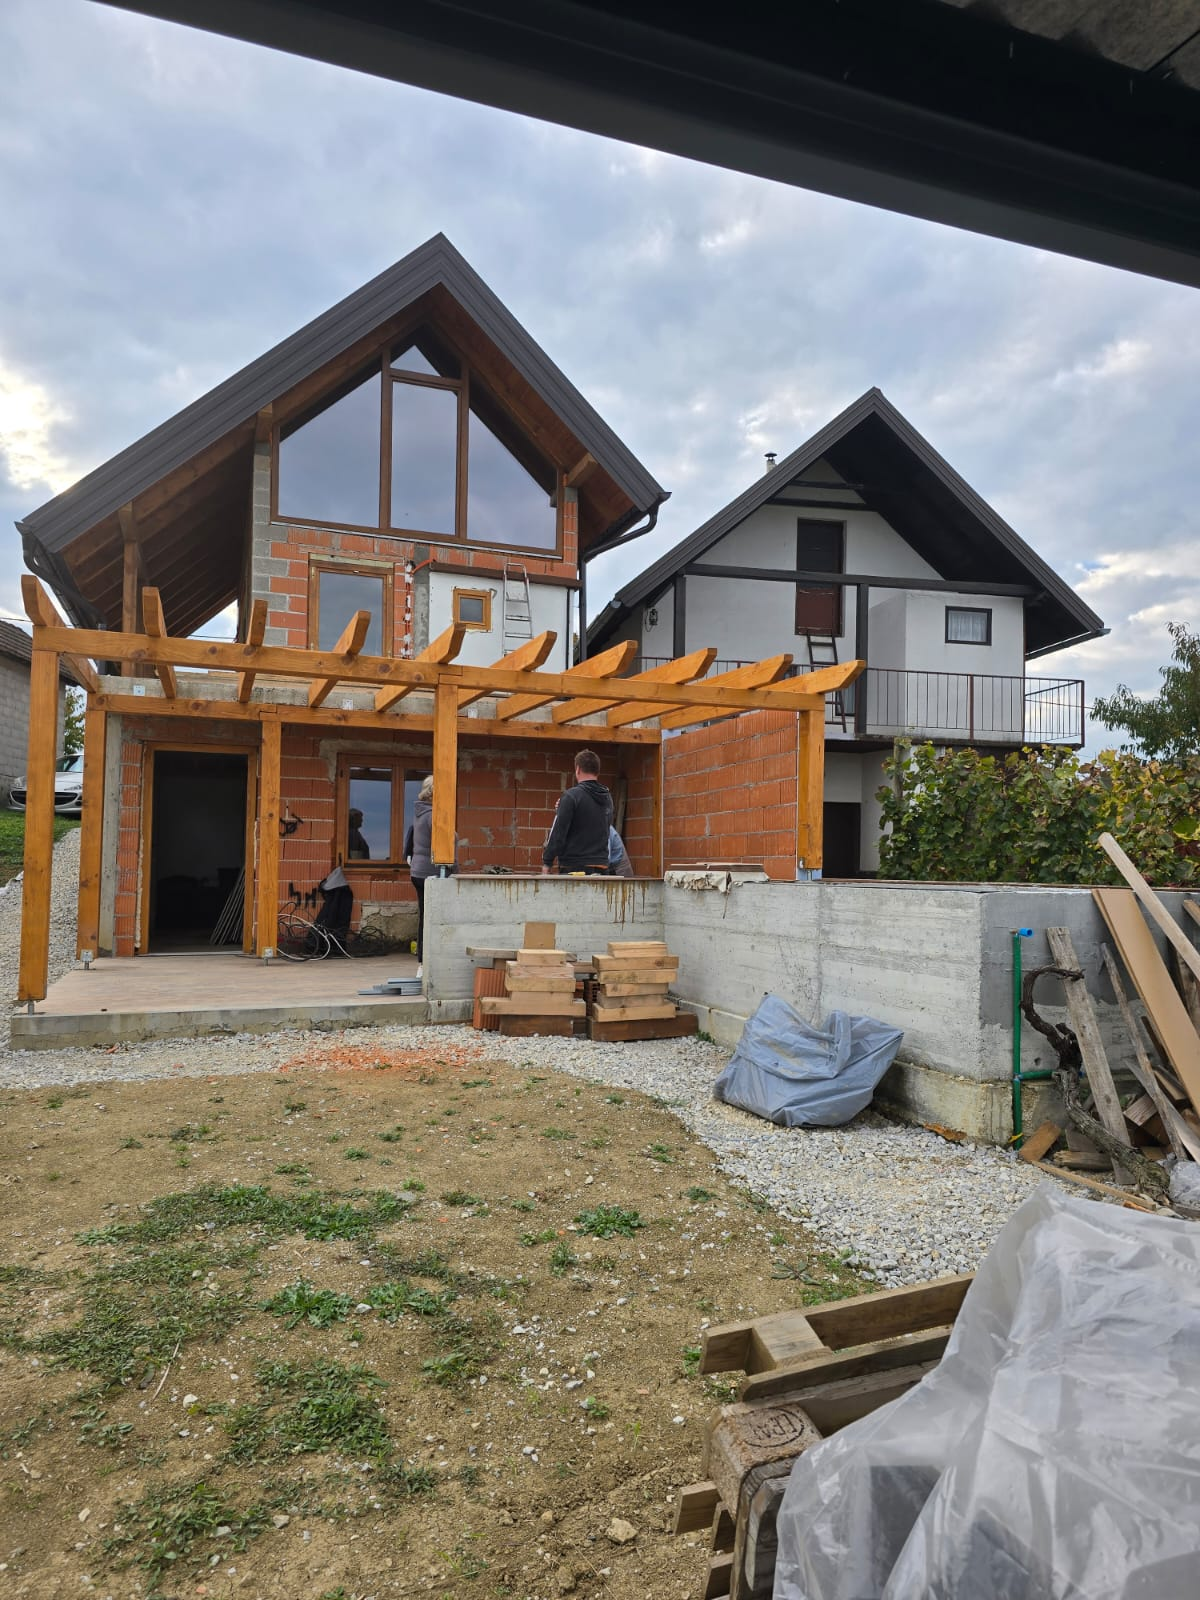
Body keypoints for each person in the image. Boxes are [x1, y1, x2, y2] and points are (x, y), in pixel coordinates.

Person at [403, 776, 464, 977]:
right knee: (436, 919)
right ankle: (429, 963)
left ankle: (423, 962)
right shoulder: (434, 815)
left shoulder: (421, 812)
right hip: (432, 873)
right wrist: (455, 870)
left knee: (425, 917)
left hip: (419, 872)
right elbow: (445, 847)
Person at [542, 749, 614, 875]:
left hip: (574, 867)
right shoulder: (607, 798)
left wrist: (547, 862)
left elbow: (558, 832)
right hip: (601, 867)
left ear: (578, 769)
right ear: (597, 771)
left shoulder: (572, 796)